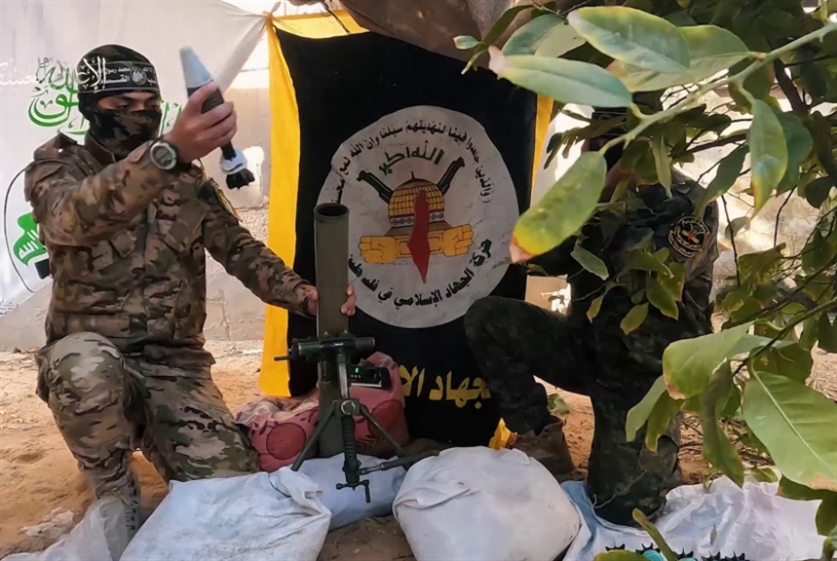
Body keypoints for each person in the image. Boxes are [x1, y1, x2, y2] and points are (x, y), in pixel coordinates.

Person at [23, 45, 355, 531]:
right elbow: (70, 219)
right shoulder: (58, 169)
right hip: (93, 353)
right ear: (90, 106)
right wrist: (168, 152)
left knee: (230, 490)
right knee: (85, 369)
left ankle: (161, 432)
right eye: (122, 105)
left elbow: (240, 251)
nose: (139, 114)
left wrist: (306, 296)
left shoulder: (186, 181)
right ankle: (113, 488)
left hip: (174, 364)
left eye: (148, 104)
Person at [464, 109, 719, 525]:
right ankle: (541, 437)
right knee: (489, 319)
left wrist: (614, 196)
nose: (605, 151)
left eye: (616, 141)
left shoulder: (690, 204)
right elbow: (544, 258)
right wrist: (589, 196)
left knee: (622, 509)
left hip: (644, 375)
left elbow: (643, 279)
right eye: (597, 142)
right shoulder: (592, 194)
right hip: (585, 347)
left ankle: (655, 463)